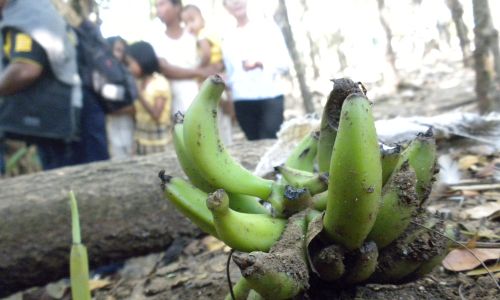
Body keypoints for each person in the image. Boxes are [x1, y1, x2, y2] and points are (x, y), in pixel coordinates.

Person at [0, 0, 82, 170]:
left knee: (63, 177)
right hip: (52, 114)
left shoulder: (26, 12)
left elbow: (26, 68)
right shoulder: (32, 9)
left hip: (53, 112)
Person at [222, 0, 290, 141]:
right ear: (226, 6)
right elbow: (231, 74)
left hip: (271, 96)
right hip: (242, 101)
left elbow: (284, 64)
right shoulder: (227, 37)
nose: (235, 2)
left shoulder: (268, 27)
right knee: (254, 144)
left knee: (270, 141)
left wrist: (261, 63)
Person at [181, 4, 233, 145]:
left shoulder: (202, 35)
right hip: (220, 72)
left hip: (214, 75)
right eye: (185, 23)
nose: (189, 26)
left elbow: (206, 54)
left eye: (192, 20)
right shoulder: (210, 33)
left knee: (217, 109)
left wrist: (199, 68)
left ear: (202, 18)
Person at [149, 0, 202, 116]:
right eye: (156, 6)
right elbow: (165, 69)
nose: (158, 9)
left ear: (177, 7)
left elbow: (213, 63)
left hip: (200, 102)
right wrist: (200, 72)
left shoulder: (194, 34)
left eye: (162, 4)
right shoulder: (156, 39)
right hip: (173, 107)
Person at [126, 41, 172, 155]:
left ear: (142, 60)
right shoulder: (139, 82)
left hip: (158, 140)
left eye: (131, 63)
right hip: (142, 136)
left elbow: (156, 115)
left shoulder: (159, 83)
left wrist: (139, 95)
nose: (129, 68)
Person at [105, 36, 135, 160]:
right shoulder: (102, 72)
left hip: (128, 121)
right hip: (112, 122)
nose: (118, 54)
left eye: (121, 51)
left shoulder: (127, 72)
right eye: (116, 49)